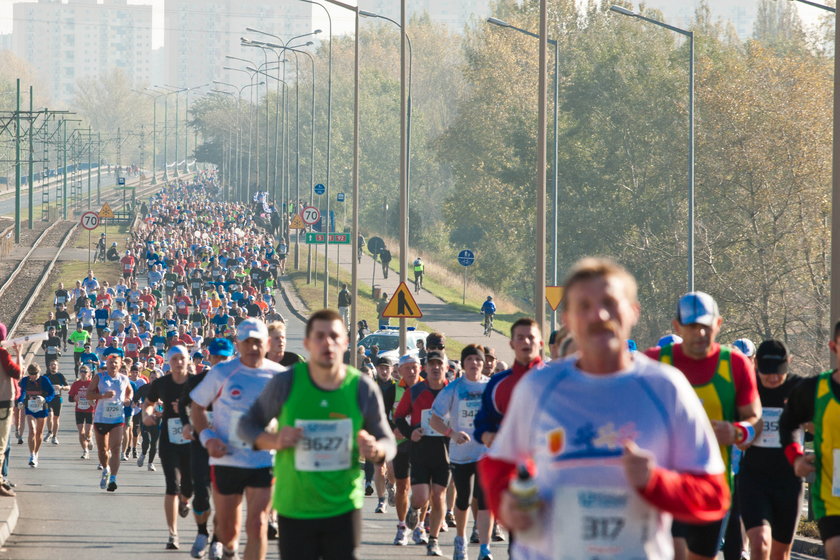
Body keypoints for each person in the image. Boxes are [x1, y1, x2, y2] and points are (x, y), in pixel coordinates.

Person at [479, 257, 730, 560]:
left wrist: (655, 481)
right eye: (584, 306)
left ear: (633, 312)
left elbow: (714, 497)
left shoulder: (666, 388)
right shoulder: (538, 388)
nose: (598, 314)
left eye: (610, 302)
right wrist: (506, 504)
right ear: (568, 320)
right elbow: (499, 464)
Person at [238, 309, 397, 560]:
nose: (327, 343)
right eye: (319, 336)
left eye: (334, 336)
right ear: (307, 343)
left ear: (346, 342)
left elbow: (388, 440)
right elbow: (246, 426)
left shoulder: (361, 387)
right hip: (295, 505)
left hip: (343, 504)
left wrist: (376, 450)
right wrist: (275, 440)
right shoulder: (287, 382)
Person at [644, 291, 762, 560]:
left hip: (711, 487)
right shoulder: (653, 362)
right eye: (691, 327)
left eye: (705, 327)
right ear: (677, 327)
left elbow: (755, 420)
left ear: (718, 324)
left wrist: (736, 432)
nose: (699, 334)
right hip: (666, 484)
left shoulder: (735, 365)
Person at [190, 320, 283, 560]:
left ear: (267, 343)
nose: (253, 347)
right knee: (228, 530)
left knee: (258, 523)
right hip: (226, 459)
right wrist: (208, 438)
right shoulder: (222, 372)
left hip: (264, 459)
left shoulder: (280, 375)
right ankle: (230, 550)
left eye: (257, 342)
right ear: (238, 345)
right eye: (247, 342)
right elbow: (197, 407)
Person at [779, 320, 840, 560]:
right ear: (833, 347)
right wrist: (796, 458)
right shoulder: (814, 389)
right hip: (832, 498)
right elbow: (787, 423)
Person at [739, 339, 802, 560]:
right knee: (759, 542)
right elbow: (737, 435)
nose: (773, 377)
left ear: (789, 363)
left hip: (788, 480)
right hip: (754, 478)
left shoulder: (800, 389)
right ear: (756, 364)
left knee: (780, 553)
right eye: (767, 372)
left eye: (779, 372)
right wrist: (743, 432)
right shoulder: (747, 387)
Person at [429, 344, 493, 560]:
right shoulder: (454, 388)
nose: (474, 363)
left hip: (485, 452)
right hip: (461, 452)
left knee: (485, 501)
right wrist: (451, 433)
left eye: (478, 360)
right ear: (463, 363)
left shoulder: (491, 387)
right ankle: (461, 540)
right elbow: (434, 419)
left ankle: (485, 548)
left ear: (483, 364)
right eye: (470, 360)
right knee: (463, 498)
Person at [394, 349, 450, 555]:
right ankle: (414, 509)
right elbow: (399, 416)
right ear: (425, 368)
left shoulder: (452, 390)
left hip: (444, 450)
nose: (435, 368)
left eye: (439, 364)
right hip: (421, 449)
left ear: (446, 367)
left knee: (438, 496)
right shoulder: (416, 391)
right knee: (420, 496)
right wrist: (410, 433)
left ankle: (433, 539)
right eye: (431, 364)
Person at [142, 345, 197, 551]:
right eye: (174, 359)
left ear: (188, 360)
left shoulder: (196, 383)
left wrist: (188, 409)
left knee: (189, 486)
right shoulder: (161, 383)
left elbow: (210, 405)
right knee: (171, 486)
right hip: (169, 439)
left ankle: (185, 499)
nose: (178, 362)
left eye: (182, 358)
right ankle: (173, 534)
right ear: (168, 361)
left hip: (191, 439)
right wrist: (147, 415)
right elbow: (148, 402)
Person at [474, 318, 545, 449]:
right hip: (511, 461)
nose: (526, 341)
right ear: (512, 344)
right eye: (520, 337)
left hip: (549, 463)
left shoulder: (556, 379)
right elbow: (483, 422)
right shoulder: (497, 383)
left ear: (540, 343)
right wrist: (487, 436)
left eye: (531, 337)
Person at [86, 352, 133, 491]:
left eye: (116, 363)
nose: (113, 365)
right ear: (106, 364)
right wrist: (102, 395)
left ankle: (113, 478)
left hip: (117, 418)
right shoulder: (99, 377)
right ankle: (105, 470)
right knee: (102, 450)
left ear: (119, 365)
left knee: (116, 448)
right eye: (110, 363)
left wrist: (127, 399)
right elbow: (89, 394)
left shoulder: (124, 379)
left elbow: (129, 391)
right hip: (101, 418)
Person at [390, 353, 423, 545]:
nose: (411, 371)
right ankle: (402, 526)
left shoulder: (429, 387)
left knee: (422, 487)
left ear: (420, 368)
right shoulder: (393, 390)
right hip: (401, 443)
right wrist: (393, 429)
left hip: (423, 443)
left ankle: (419, 527)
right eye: (407, 368)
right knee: (402, 486)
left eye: (414, 367)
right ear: (400, 371)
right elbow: (385, 415)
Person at [18, 364, 55, 468]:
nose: (33, 376)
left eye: (35, 374)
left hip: (42, 408)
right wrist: (20, 402)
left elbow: (52, 393)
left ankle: (36, 453)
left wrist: (45, 399)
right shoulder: (25, 380)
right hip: (30, 408)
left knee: (39, 433)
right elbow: (22, 393)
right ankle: (32, 455)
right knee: (32, 430)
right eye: (31, 374)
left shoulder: (44, 380)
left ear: (39, 372)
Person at [0, 324, 22, 495]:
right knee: (2, 445)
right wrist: (19, 354)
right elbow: (17, 373)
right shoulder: (2, 354)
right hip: (3, 403)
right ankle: (0, 481)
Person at [68, 365, 94, 459]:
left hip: (89, 410)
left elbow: (97, 396)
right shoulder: (75, 384)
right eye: (81, 371)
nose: (83, 373)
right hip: (79, 410)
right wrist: (75, 398)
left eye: (85, 372)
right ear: (79, 373)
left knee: (87, 432)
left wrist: (92, 399)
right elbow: (70, 398)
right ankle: (85, 451)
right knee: (80, 431)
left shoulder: (92, 383)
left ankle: (90, 438)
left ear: (89, 373)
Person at [44, 360, 69, 445]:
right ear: (49, 367)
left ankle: (54, 436)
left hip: (58, 399)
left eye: (55, 365)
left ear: (57, 366)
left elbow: (68, 387)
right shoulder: (46, 376)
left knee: (56, 418)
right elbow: (41, 387)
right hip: (48, 399)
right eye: (51, 365)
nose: (53, 366)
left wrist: (61, 387)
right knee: (49, 415)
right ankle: (49, 432)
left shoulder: (60, 376)